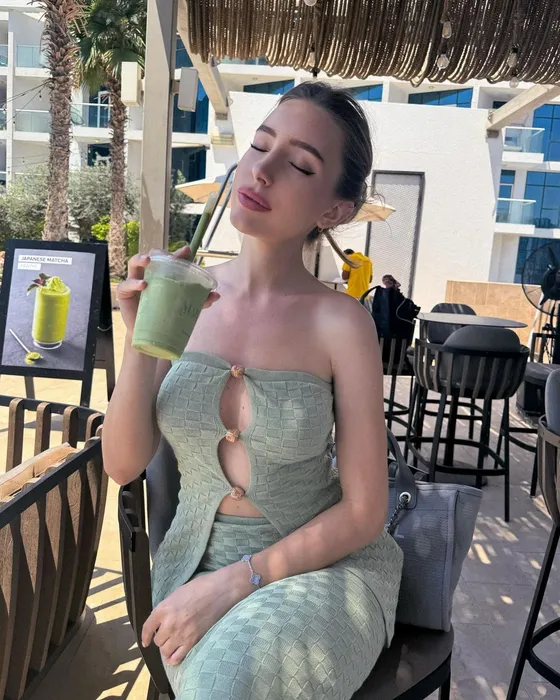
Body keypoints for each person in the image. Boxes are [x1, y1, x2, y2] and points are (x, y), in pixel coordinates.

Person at [102, 82, 403, 700]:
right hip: (192, 565)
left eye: (300, 165)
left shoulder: (342, 324)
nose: (262, 170)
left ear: (334, 211)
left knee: (233, 685)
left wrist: (238, 581)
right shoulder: (183, 295)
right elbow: (122, 463)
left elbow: (364, 511)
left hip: (324, 568)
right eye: (260, 145)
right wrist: (140, 342)